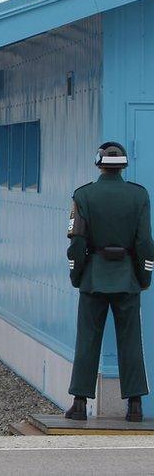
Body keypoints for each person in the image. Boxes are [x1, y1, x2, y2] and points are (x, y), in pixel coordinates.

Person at [66, 141, 154, 422]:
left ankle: (79, 404)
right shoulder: (139, 196)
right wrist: (143, 277)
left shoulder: (84, 195)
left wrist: (77, 274)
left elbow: (77, 243)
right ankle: (135, 406)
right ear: (124, 165)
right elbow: (145, 244)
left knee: (87, 340)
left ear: (99, 163)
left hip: (93, 277)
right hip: (127, 278)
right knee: (130, 342)